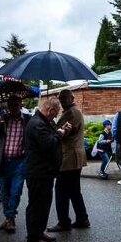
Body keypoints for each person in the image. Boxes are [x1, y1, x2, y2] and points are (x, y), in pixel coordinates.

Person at [24, 97, 65, 242]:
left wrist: (59, 131)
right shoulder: (37, 124)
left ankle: (39, 232)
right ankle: (33, 238)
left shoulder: (42, 122)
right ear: (51, 110)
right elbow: (48, 144)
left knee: (44, 204)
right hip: (38, 171)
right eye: (56, 113)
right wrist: (59, 134)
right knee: (37, 205)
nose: (56, 116)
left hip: (45, 171)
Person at [48, 89, 89, 232]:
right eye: (61, 98)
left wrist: (50, 123)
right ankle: (82, 218)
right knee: (73, 190)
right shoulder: (72, 112)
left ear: (72, 98)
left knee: (61, 190)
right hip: (73, 156)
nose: (63, 100)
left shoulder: (71, 113)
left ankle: (64, 222)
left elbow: (61, 133)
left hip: (69, 157)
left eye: (65, 98)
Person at [0, 95, 31, 233]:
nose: (13, 106)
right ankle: (9, 218)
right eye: (11, 103)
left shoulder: (27, 119)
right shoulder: (1, 119)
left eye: (16, 103)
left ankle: (10, 217)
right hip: (3, 161)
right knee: (4, 193)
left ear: (21, 104)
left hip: (19, 161)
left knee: (16, 191)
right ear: (7, 105)